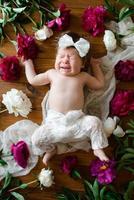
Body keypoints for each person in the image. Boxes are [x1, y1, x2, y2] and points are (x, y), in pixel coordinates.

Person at [23, 31, 109, 165]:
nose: (65, 60)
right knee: (36, 139)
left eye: (71, 57)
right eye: (61, 56)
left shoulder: (83, 76)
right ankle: (51, 149)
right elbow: (33, 79)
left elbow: (99, 84)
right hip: (54, 124)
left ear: (82, 64)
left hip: (77, 122)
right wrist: (28, 63)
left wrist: (95, 66)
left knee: (95, 122)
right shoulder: (52, 74)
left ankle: (97, 147)